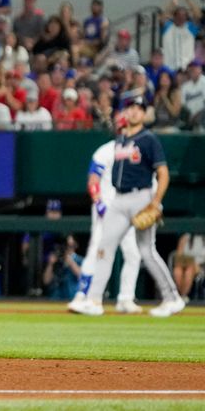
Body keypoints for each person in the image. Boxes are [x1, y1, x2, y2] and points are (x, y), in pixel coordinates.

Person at [71, 96, 185, 317]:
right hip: (119, 199)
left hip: (141, 197)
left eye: (138, 109)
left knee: (146, 251)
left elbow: (163, 173)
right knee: (104, 247)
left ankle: (172, 298)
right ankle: (94, 301)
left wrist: (155, 202)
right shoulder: (121, 140)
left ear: (144, 114)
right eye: (130, 108)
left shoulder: (149, 139)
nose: (134, 112)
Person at [67, 117, 144, 315]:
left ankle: (126, 299)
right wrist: (99, 203)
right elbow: (93, 180)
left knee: (133, 253)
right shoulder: (106, 150)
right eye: (122, 128)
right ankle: (82, 296)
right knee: (97, 251)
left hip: (127, 210)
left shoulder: (135, 151)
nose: (124, 131)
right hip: (107, 209)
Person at [43, 235, 83, 301]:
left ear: (76, 245)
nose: (67, 248)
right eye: (66, 246)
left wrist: (70, 261)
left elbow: (82, 277)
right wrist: (50, 264)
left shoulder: (80, 260)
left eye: (70, 245)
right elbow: (46, 281)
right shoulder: (56, 260)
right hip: (55, 298)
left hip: (72, 297)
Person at [173, 233, 204, 302]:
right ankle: (182, 296)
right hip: (185, 265)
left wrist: (196, 264)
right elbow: (179, 256)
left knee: (189, 270)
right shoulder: (185, 237)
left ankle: (182, 296)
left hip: (201, 267)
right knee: (177, 270)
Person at [180, 60, 205, 130]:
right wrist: (190, 117)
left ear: (200, 69)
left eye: (195, 68)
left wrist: (196, 116)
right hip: (190, 119)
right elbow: (183, 105)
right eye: (190, 69)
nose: (192, 71)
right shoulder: (185, 86)